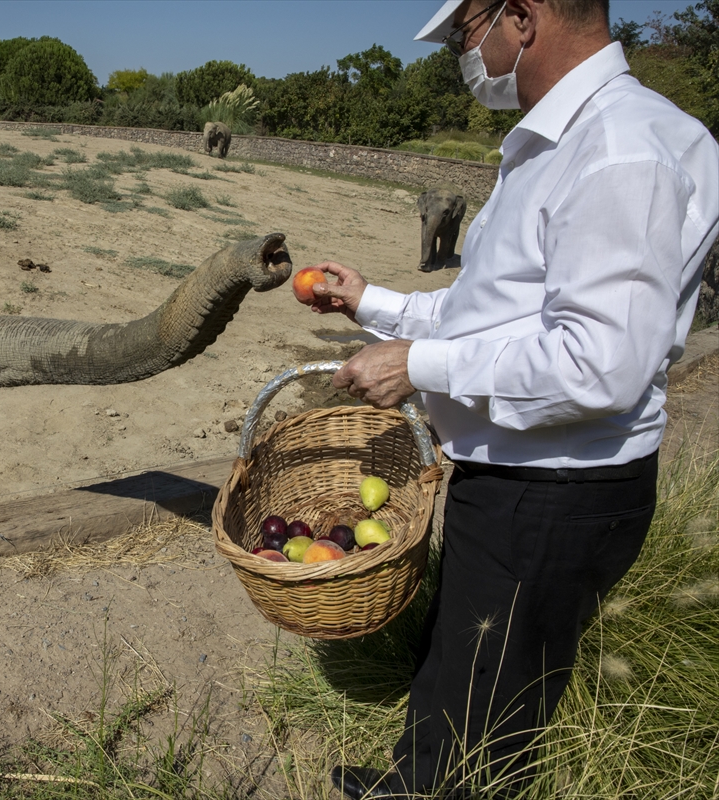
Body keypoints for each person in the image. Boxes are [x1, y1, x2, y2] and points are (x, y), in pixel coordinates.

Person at [309, 1, 719, 798]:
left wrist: (420, 367)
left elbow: (601, 364)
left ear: (522, 17)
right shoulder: (561, 143)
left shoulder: (617, 152)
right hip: (523, 482)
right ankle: (414, 779)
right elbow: (492, 314)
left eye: (466, 34)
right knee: (466, 673)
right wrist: (374, 304)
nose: (465, 55)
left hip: (550, 494)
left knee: (488, 729)